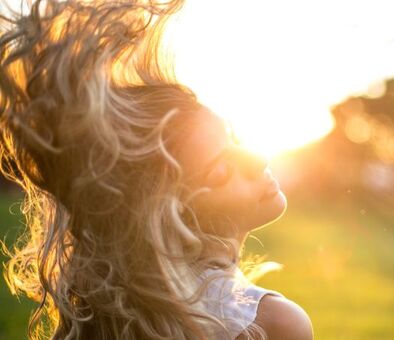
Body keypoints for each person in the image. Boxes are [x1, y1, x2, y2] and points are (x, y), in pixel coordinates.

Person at [0, 0, 313, 339]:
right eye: (221, 172)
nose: (256, 159)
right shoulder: (275, 324)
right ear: (169, 217)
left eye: (234, 138)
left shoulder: (106, 319)